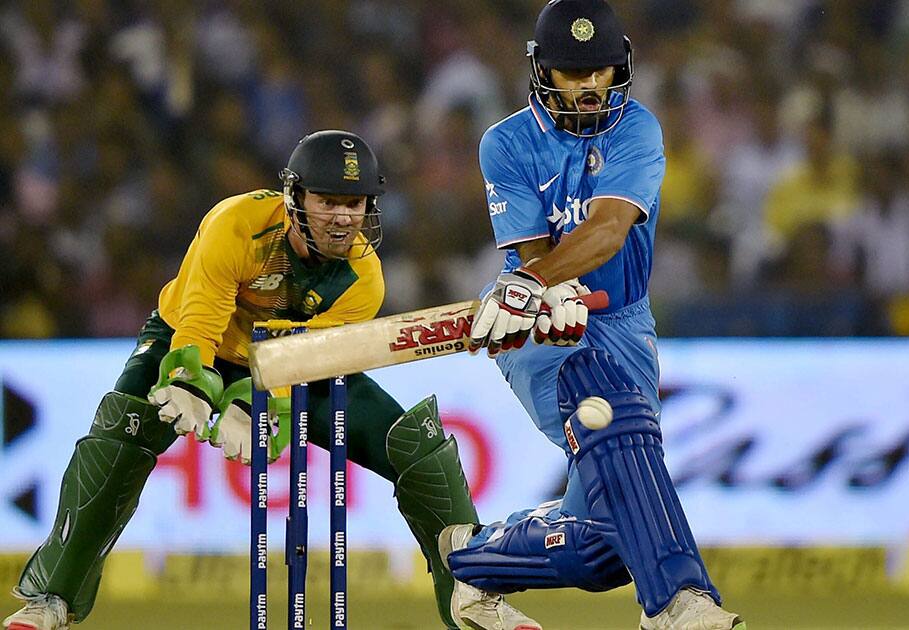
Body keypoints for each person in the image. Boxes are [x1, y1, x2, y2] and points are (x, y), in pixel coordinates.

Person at [3, 130, 507, 630]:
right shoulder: (236, 224)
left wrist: (256, 407)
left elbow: (301, 362)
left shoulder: (363, 277)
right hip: (195, 337)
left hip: (292, 363)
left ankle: (475, 595)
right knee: (119, 437)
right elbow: (199, 320)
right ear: (295, 197)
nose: (343, 217)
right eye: (328, 200)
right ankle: (50, 600)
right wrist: (191, 381)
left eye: (355, 203)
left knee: (415, 445)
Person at [436, 2, 746, 629]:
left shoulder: (638, 129)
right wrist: (532, 286)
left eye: (601, 71)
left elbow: (607, 229)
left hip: (622, 320)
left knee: (605, 545)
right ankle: (678, 603)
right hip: (537, 326)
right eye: (572, 73)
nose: (589, 86)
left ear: (620, 68)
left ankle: (470, 561)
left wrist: (532, 280)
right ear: (540, 71)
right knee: (617, 417)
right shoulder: (506, 143)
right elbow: (536, 256)